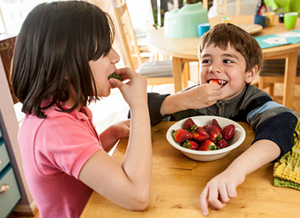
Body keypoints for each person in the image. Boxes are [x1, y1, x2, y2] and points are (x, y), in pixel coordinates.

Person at [11, 1, 152, 218]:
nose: (115, 57)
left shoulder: (61, 109)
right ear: (66, 66)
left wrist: (112, 133)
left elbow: (77, 159)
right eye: (104, 51)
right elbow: (138, 195)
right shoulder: (55, 129)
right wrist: (139, 105)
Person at [146, 23, 298, 216]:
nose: (214, 68)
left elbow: (283, 122)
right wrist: (180, 101)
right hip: (181, 182)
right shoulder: (188, 99)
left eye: (227, 61)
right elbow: (137, 110)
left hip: (245, 191)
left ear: (250, 73)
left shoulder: (252, 100)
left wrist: (235, 172)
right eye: (206, 60)